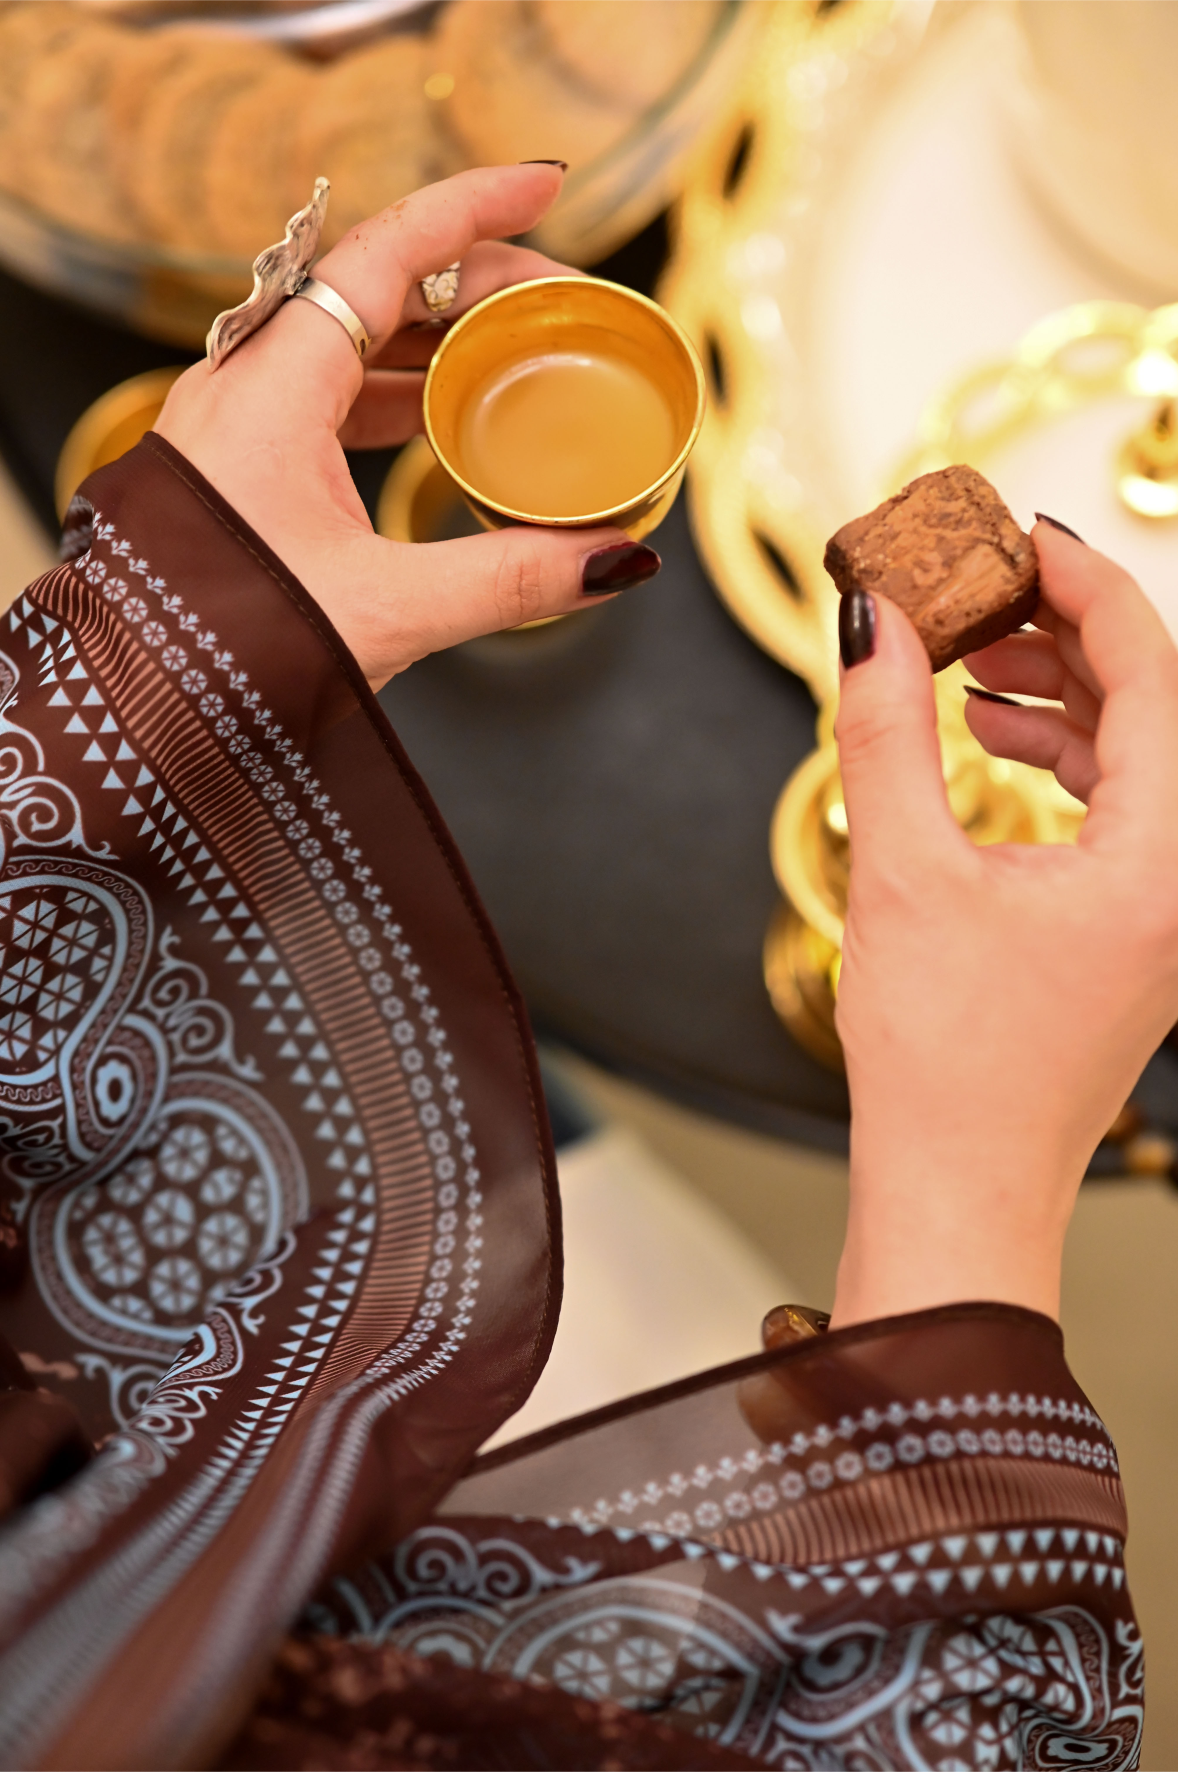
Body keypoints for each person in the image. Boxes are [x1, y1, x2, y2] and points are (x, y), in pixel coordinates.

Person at [0, 162, 1172, 1770]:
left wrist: (142, 680)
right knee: (579, 1203)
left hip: (177, 1256)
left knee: (491, 1065)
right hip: (373, 1435)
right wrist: (971, 1190)